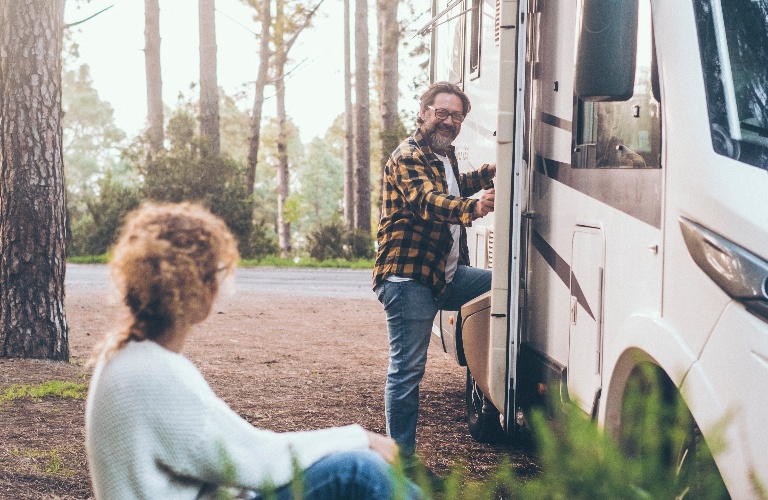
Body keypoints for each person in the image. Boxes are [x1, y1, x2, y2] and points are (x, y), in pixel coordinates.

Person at [85, 202, 422, 500]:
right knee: (357, 471)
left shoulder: (129, 358)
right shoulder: (149, 373)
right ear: (198, 289)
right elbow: (256, 460)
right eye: (216, 274)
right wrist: (358, 437)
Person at [373, 82, 496, 470]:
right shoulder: (408, 155)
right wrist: (474, 208)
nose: (449, 120)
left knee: (503, 287)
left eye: (457, 115)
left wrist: (490, 173)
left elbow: (456, 185)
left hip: (444, 276)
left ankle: (488, 378)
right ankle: (400, 463)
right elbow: (428, 202)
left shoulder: (444, 156)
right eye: (441, 112)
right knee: (407, 369)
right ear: (423, 112)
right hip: (409, 278)